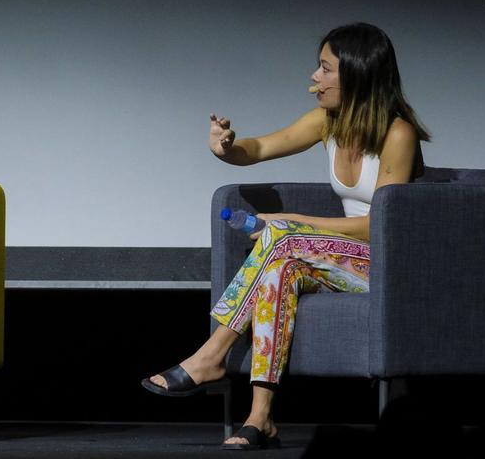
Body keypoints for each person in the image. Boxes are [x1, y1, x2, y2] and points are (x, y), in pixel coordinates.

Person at [141, 23, 430, 450]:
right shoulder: (328, 123)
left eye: (325, 68)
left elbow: (381, 224)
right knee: (283, 267)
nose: (314, 77)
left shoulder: (397, 133)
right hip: (339, 260)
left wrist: (294, 221)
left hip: (387, 263)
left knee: (287, 239)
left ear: (355, 73)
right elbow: (257, 148)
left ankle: (210, 356)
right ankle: (261, 418)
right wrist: (226, 148)